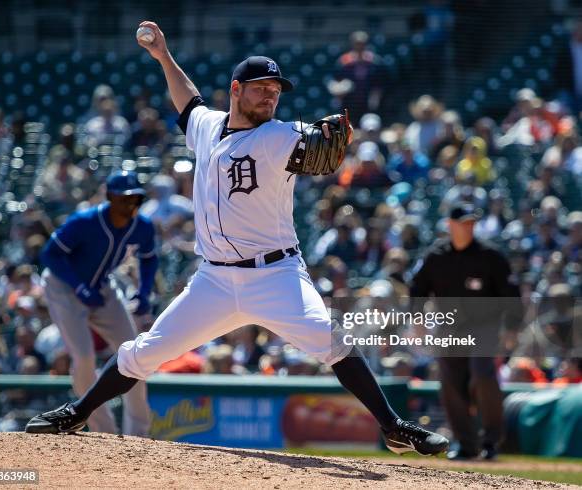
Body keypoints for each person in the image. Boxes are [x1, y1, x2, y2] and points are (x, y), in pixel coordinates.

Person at [26, 20, 449, 457]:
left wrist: (321, 139)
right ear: (236, 89)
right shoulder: (208, 127)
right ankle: (77, 413)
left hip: (276, 274)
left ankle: (393, 427)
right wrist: (164, 57)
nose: (270, 95)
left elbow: (307, 143)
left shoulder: (278, 136)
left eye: (276, 89)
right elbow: (187, 103)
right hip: (213, 281)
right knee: (142, 352)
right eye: (261, 87)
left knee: (334, 340)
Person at [33, 170, 157, 436]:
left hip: (102, 286)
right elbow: (51, 255)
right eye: (125, 198)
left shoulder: (142, 225)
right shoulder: (85, 220)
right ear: (110, 196)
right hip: (63, 286)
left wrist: (144, 292)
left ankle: (140, 435)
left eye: (136, 198)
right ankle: (103, 432)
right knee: (84, 357)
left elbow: (149, 258)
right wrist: (78, 286)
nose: (131, 204)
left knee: (137, 354)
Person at [409, 203, 523, 460]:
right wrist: (418, 321)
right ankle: (466, 443)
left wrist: (512, 328)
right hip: (449, 326)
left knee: (482, 373)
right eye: (462, 223)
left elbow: (511, 295)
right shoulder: (436, 256)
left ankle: (492, 441)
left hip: (484, 325)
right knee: (450, 381)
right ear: (449, 225)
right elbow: (417, 289)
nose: (467, 227)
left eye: (471, 223)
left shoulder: (490, 256)